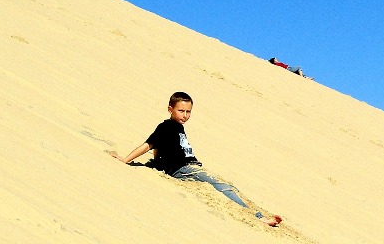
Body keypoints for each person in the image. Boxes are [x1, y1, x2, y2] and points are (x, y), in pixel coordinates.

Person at [111, 91, 282, 227]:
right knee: (223, 187)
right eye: (181, 111)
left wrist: (157, 162)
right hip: (184, 169)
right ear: (170, 109)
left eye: (188, 112)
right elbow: (150, 144)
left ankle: (253, 212)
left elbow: (159, 147)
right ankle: (258, 218)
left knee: (227, 186)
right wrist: (126, 159)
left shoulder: (178, 127)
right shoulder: (166, 126)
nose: (185, 115)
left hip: (191, 167)